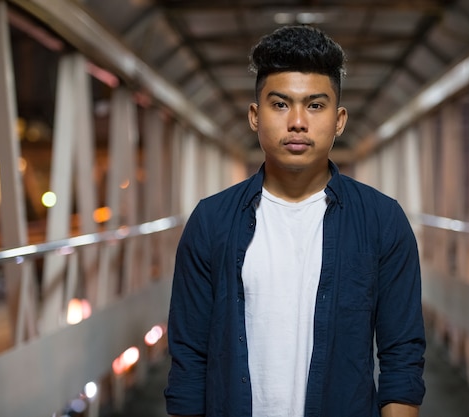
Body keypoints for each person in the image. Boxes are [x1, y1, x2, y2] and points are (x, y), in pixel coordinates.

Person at [164, 25, 426, 417]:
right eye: (281, 104)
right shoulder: (211, 220)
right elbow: (189, 357)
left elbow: (401, 354)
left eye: (315, 106)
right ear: (255, 116)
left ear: (339, 121)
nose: (298, 122)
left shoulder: (381, 220)